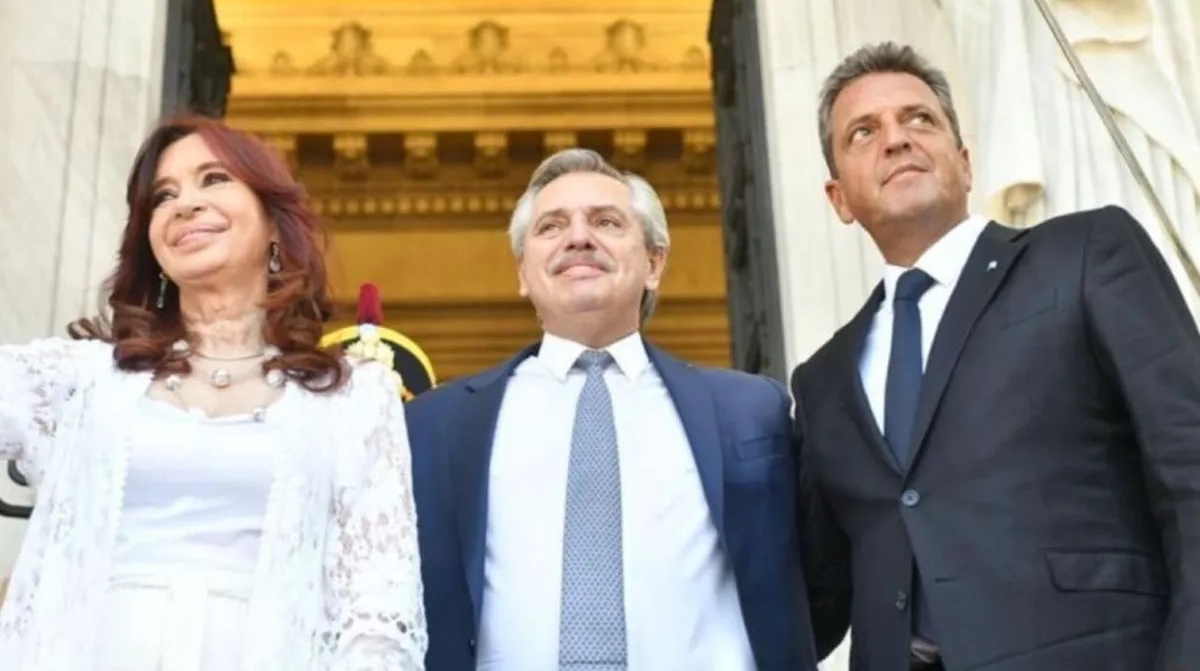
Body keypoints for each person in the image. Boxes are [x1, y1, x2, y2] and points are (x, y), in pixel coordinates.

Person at [792, 41, 1200, 671]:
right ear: (838, 198)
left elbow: (1190, 470)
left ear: (965, 163)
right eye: (863, 132)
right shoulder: (822, 381)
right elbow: (812, 600)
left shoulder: (1085, 253)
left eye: (919, 118)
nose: (897, 140)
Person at [0, 116, 427, 669]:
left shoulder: (351, 397)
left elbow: (377, 609)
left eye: (214, 179)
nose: (185, 204)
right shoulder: (84, 380)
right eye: (164, 196)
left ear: (274, 225)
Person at [407, 149, 817, 670]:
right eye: (552, 226)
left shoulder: (751, 411)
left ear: (654, 263)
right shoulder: (435, 426)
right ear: (522, 272)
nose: (579, 238)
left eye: (606, 221)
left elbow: (813, 582)